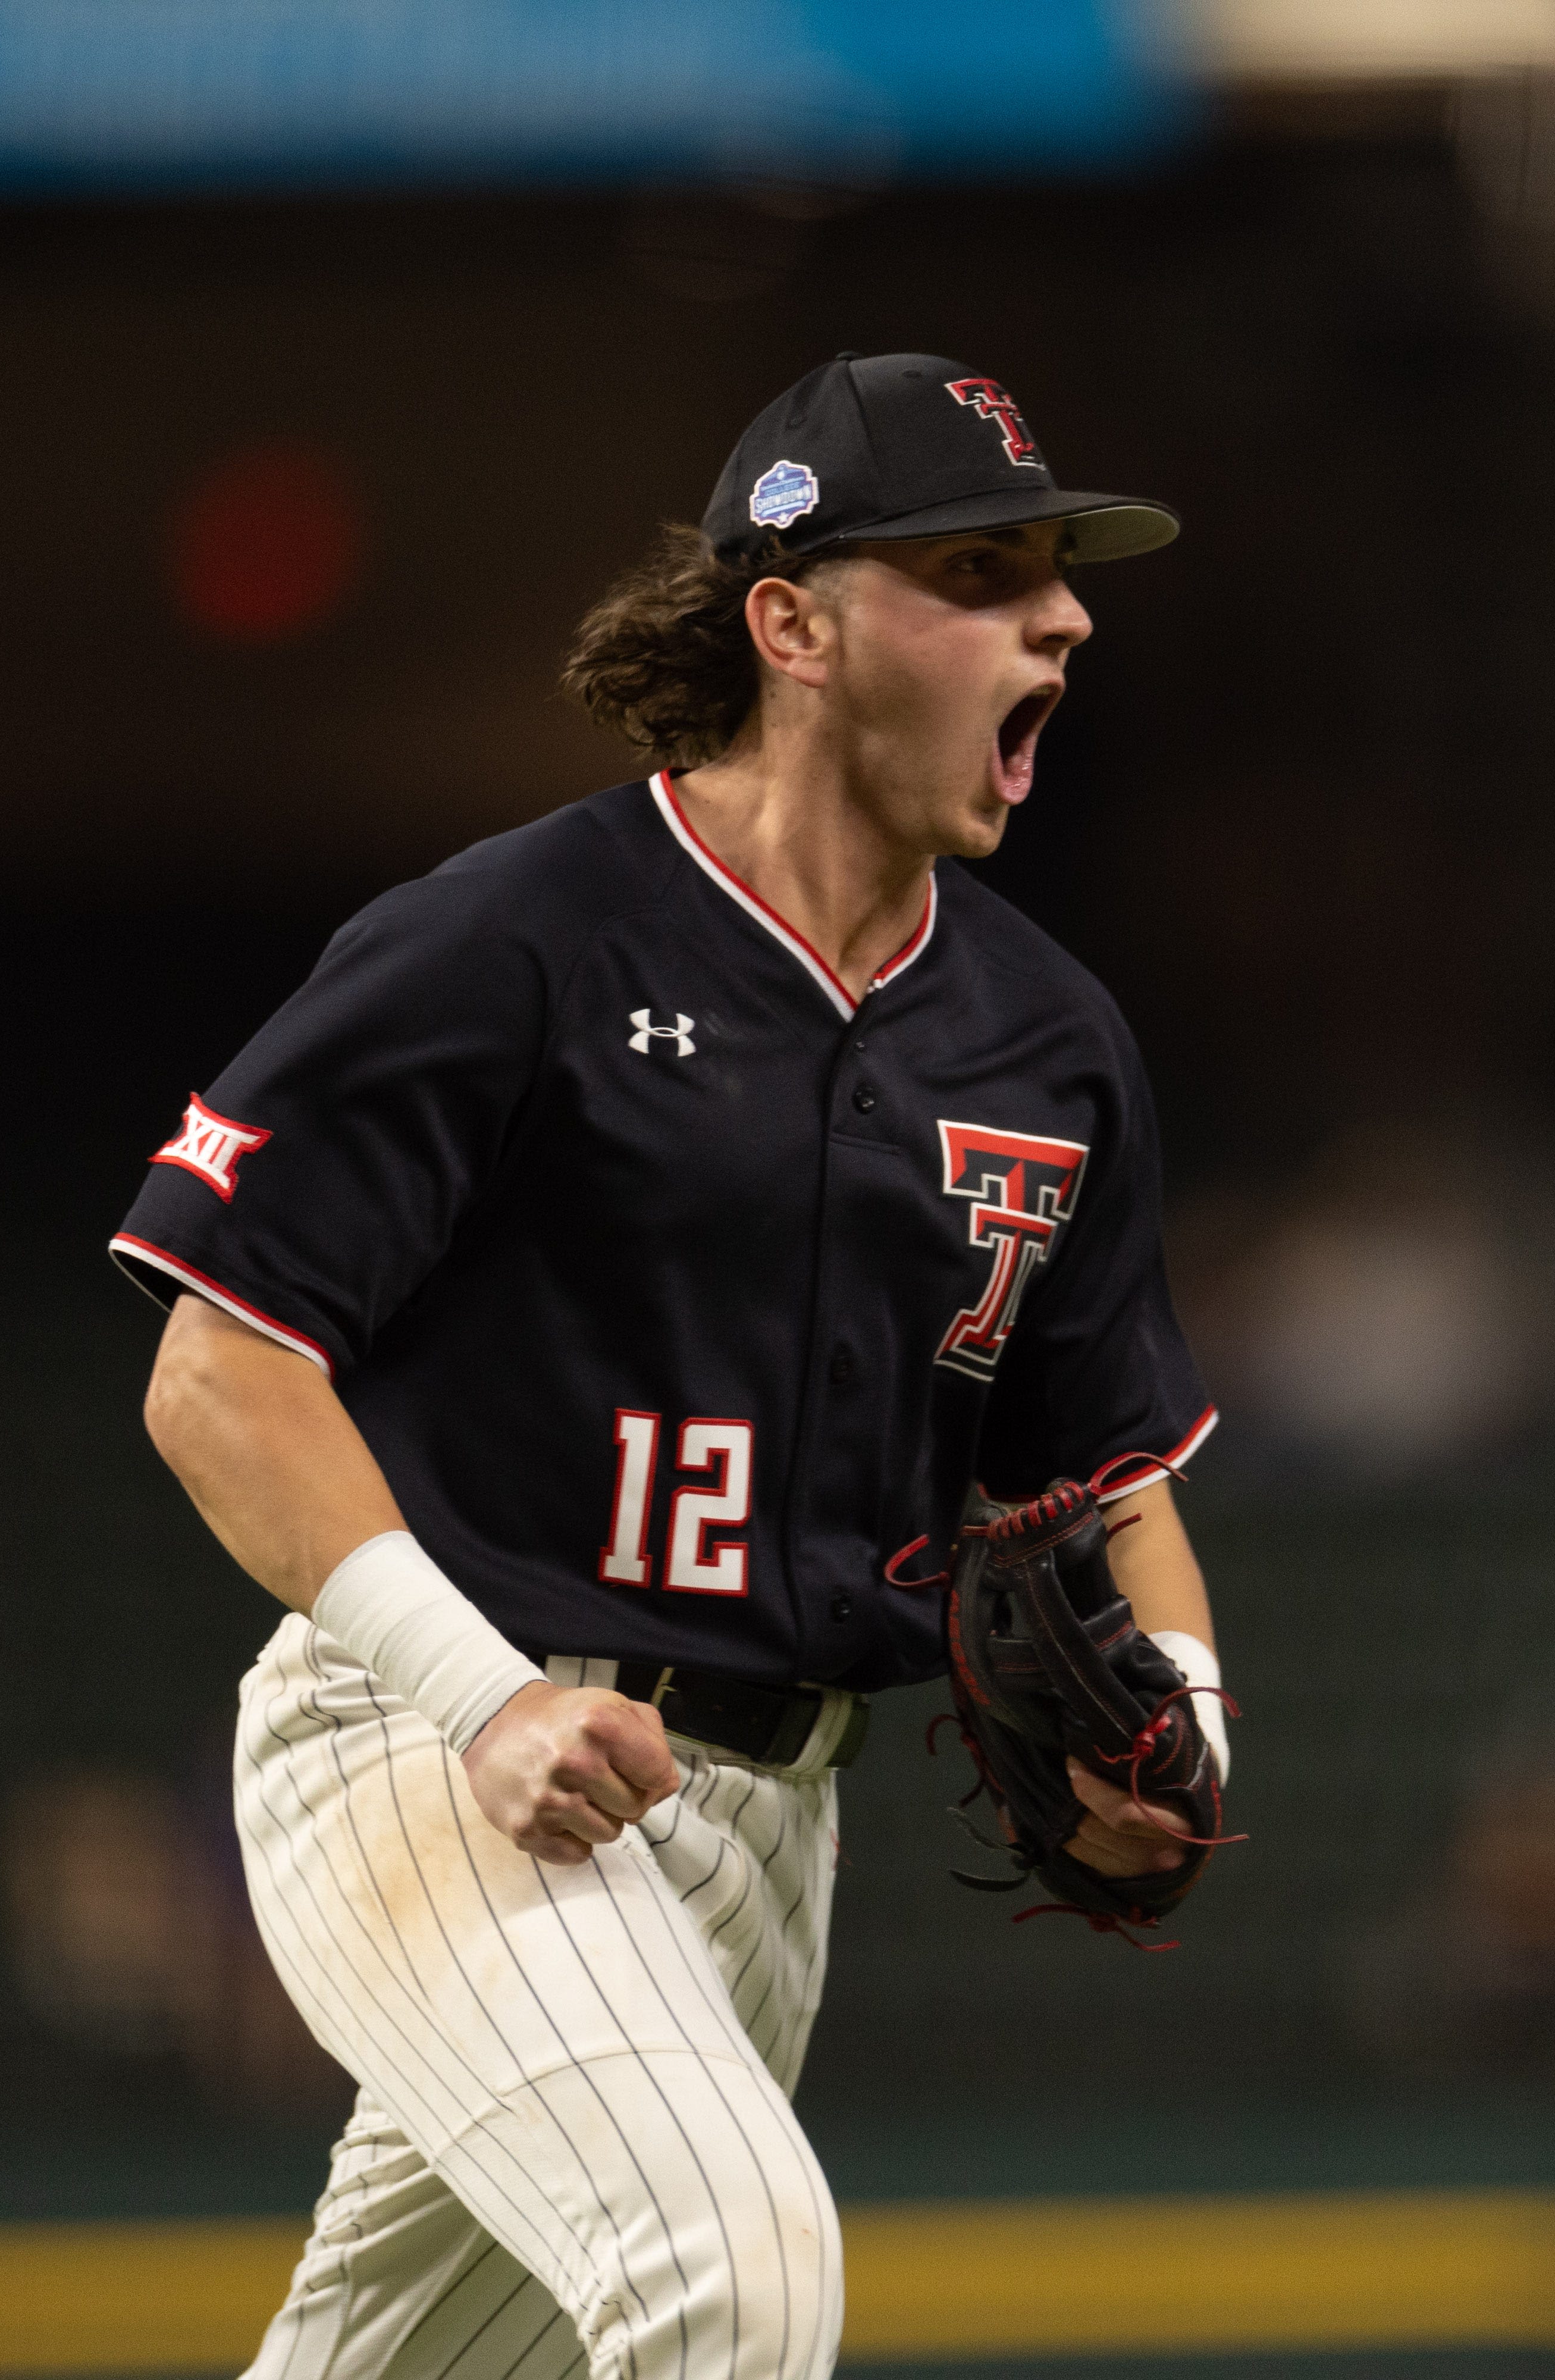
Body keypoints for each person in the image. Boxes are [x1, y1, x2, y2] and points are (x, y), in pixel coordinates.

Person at [114, 352, 1230, 2380]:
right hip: (436, 1750)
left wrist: (1194, 1720)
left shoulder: (1049, 1043)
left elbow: (1105, 1471)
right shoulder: (522, 939)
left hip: (766, 1827)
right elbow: (218, 1373)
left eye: (1055, 577)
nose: (1057, 615)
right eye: (980, 570)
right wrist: (480, 1703)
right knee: (734, 2275)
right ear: (792, 626)